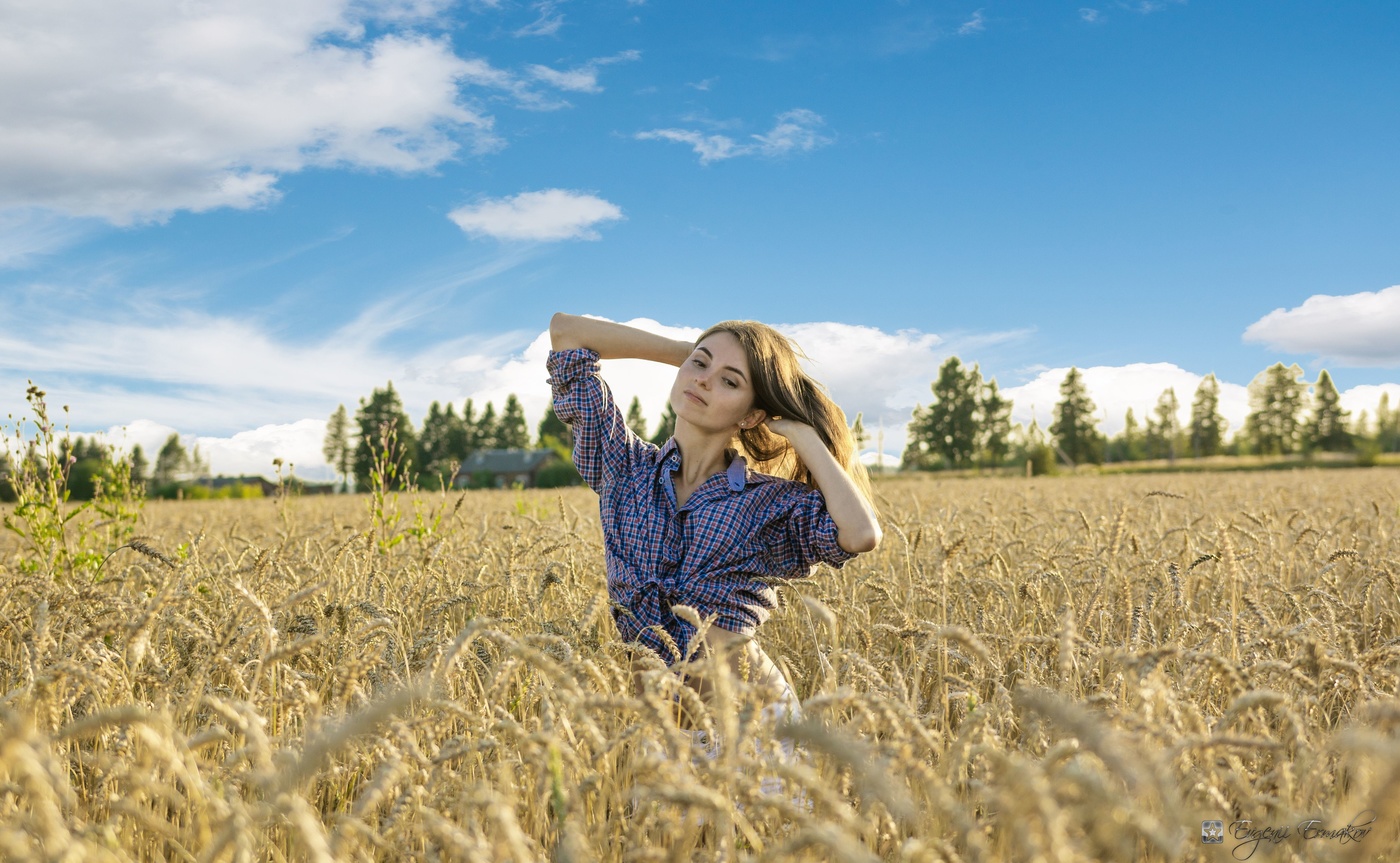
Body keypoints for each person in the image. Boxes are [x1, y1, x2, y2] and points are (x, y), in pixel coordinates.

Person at [546, 312, 881, 745]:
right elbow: (565, 333)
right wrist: (689, 354)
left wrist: (804, 437)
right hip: (662, 735)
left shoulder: (765, 501)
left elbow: (859, 535)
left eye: (731, 382)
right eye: (700, 366)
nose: (704, 381)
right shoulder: (622, 467)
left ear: (751, 414)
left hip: (754, 727)